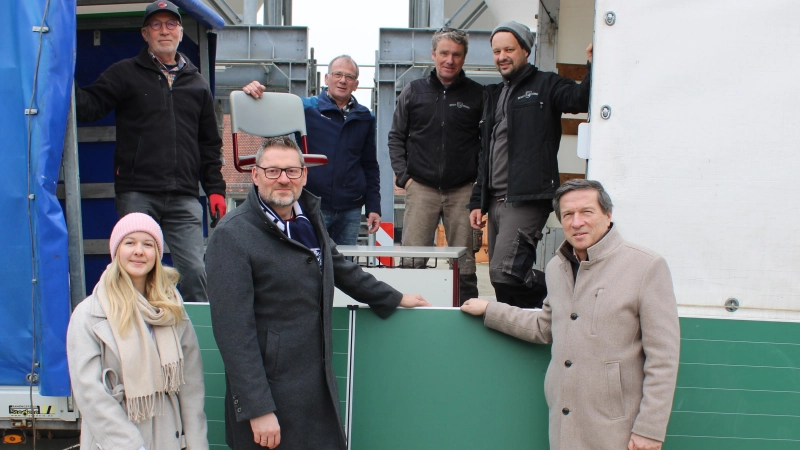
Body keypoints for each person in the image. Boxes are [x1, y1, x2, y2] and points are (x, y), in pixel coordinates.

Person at [205, 136, 430, 450]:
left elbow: (337, 266)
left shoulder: (308, 220)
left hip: (315, 391)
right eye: (272, 171)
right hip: (272, 400)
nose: (283, 178)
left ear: (304, 176)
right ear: (255, 176)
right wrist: (258, 409)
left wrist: (391, 297)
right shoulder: (232, 235)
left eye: (292, 171)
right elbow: (233, 334)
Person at [462, 179, 680, 450]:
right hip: (564, 422)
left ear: (607, 215)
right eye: (568, 215)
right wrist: (491, 309)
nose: (577, 222)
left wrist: (649, 430)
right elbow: (545, 327)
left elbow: (663, 358)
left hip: (616, 429)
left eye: (586, 212)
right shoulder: (556, 267)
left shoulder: (647, 266)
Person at [76, 0, 225, 303]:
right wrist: (60, 78)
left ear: (181, 32)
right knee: (135, 272)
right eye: (156, 25)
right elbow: (89, 107)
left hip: (184, 196)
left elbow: (209, 143)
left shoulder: (197, 84)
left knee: (196, 272)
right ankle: (131, 340)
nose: (164, 31)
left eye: (171, 24)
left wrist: (216, 190)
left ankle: (201, 342)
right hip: (138, 193)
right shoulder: (125, 73)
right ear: (145, 34)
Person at [468, 21, 592, 308]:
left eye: (509, 49)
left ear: (525, 50)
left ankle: (572, 289)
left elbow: (580, 99)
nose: (502, 56)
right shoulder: (495, 95)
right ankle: (521, 329)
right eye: (497, 51)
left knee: (506, 272)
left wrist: (592, 64)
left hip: (527, 198)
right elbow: (486, 151)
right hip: (496, 201)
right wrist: (478, 200)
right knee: (503, 282)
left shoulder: (546, 84)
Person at [67, 213, 208, 450]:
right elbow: (89, 393)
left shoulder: (172, 310)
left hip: (169, 439)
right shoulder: (89, 314)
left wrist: (196, 445)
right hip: (113, 443)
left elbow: (191, 388)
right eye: (130, 243)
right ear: (116, 251)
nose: (139, 251)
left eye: (148, 244)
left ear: (157, 254)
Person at [388, 27, 484, 304]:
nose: (450, 60)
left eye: (456, 54)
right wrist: (405, 177)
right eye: (444, 53)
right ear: (433, 55)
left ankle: (468, 322)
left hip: (463, 191)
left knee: (464, 265)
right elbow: (396, 136)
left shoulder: (478, 95)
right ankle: (410, 323)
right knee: (412, 260)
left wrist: (478, 182)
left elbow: (487, 143)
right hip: (422, 188)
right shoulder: (413, 92)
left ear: (464, 57)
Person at [242, 55, 380, 245]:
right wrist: (253, 95)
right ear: (327, 78)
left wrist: (374, 206)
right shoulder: (306, 108)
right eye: (337, 74)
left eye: (349, 77)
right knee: (310, 260)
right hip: (312, 204)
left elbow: (369, 165)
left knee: (345, 267)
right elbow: (268, 124)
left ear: (355, 84)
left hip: (351, 208)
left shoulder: (365, 118)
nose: (342, 80)